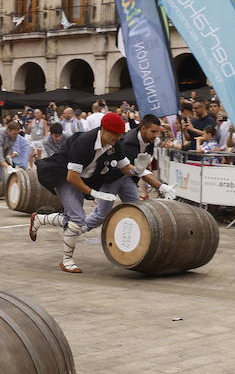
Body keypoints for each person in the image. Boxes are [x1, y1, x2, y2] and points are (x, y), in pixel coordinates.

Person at [29, 112, 165, 273]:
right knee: (78, 218)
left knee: (71, 219)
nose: (117, 138)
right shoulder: (84, 142)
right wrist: (94, 193)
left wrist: (138, 170)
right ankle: (66, 261)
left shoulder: (115, 144)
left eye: (119, 135)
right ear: (103, 129)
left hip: (81, 178)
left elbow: (125, 167)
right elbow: (72, 177)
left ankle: (40, 219)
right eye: (114, 134)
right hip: (62, 175)